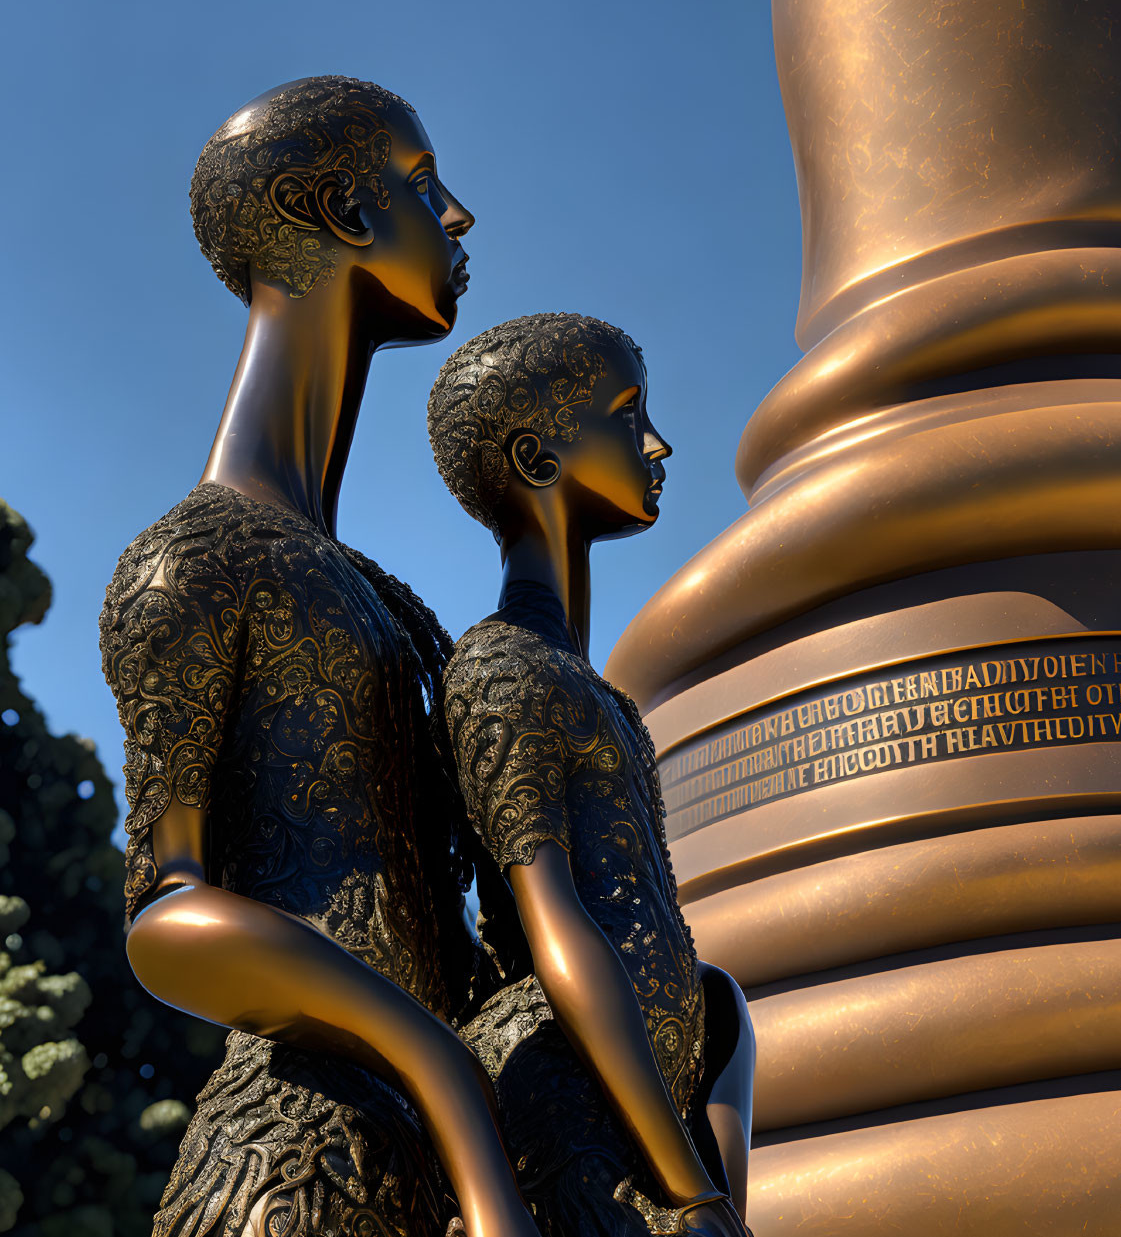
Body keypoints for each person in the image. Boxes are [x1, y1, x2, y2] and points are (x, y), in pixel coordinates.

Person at [99, 78, 539, 1237]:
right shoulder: (188, 562)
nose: (461, 218)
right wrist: (437, 1066)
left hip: (455, 1165)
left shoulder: (396, 604)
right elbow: (165, 911)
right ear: (343, 209)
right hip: (295, 1170)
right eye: (421, 184)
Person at [427, 314, 756, 1237]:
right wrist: (686, 1184)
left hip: (653, 1112)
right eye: (624, 414)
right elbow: (553, 917)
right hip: (570, 1118)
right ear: (537, 456)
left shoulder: (594, 691)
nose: (656, 444)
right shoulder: (499, 668)